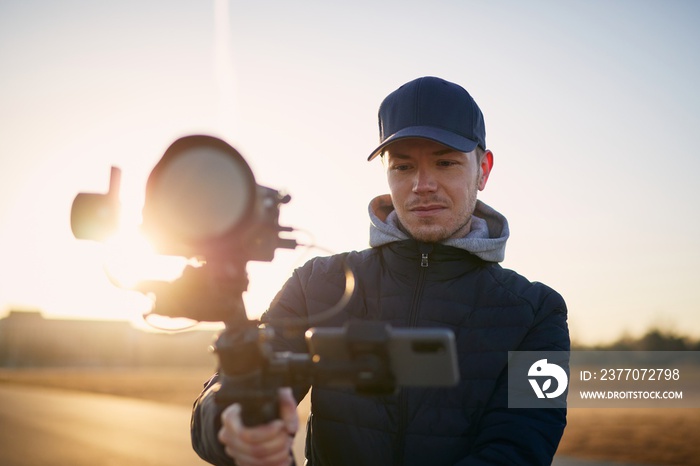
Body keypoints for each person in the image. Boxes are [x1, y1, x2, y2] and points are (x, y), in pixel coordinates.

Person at [191, 76, 570, 465]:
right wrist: (229, 422)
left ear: (483, 170)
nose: (422, 185)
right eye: (403, 166)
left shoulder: (539, 312)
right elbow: (230, 387)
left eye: (445, 162)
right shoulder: (315, 284)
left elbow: (523, 447)